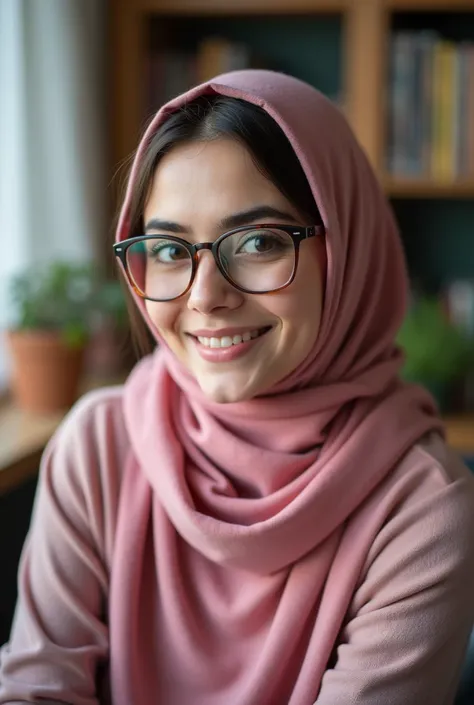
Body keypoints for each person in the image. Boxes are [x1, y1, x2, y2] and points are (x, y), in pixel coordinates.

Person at [1, 69, 474, 705]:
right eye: (169, 250)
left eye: (257, 241)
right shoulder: (100, 445)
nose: (205, 297)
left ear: (345, 251)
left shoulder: (422, 510)